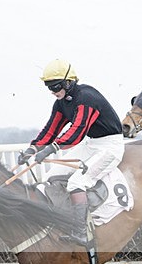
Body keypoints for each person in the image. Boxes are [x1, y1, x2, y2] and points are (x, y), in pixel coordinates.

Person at [17, 59, 125, 246]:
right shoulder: (61, 102)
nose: (52, 92)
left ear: (69, 82)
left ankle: (81, 232)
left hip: (110, 146)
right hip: (91, 144)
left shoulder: (86, 98)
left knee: (77, 182)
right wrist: (33, 148)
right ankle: (63, 218)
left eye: (56, 87)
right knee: (53, 175)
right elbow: (51, 129)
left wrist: (51, 149)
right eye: (48, 87)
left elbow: (77, 131)